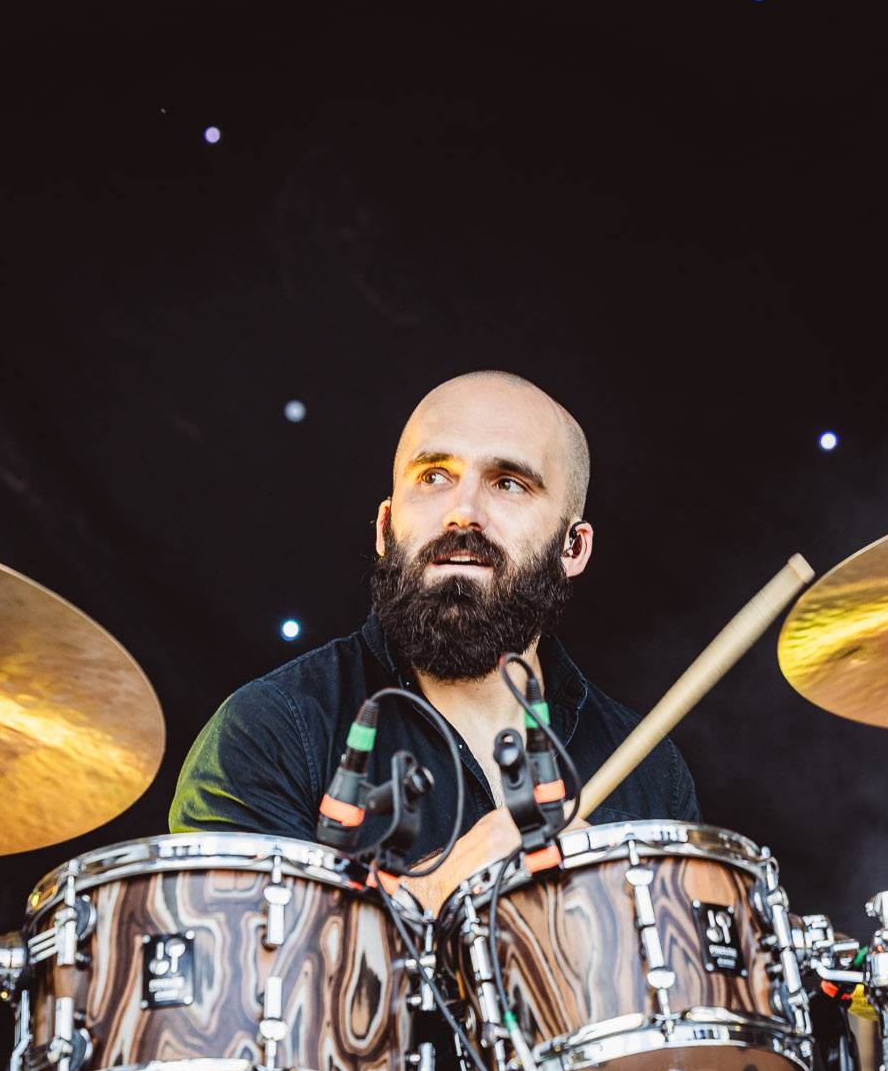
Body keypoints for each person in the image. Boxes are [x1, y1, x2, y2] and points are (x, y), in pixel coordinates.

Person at [169, 369, 698, 909]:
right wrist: (436, 893)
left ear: (573, 547)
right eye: (434, 476)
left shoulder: (653, 775)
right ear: (384, 526)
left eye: (508, 483)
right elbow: (237, 953)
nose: (462, 511)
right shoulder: (270, 732)